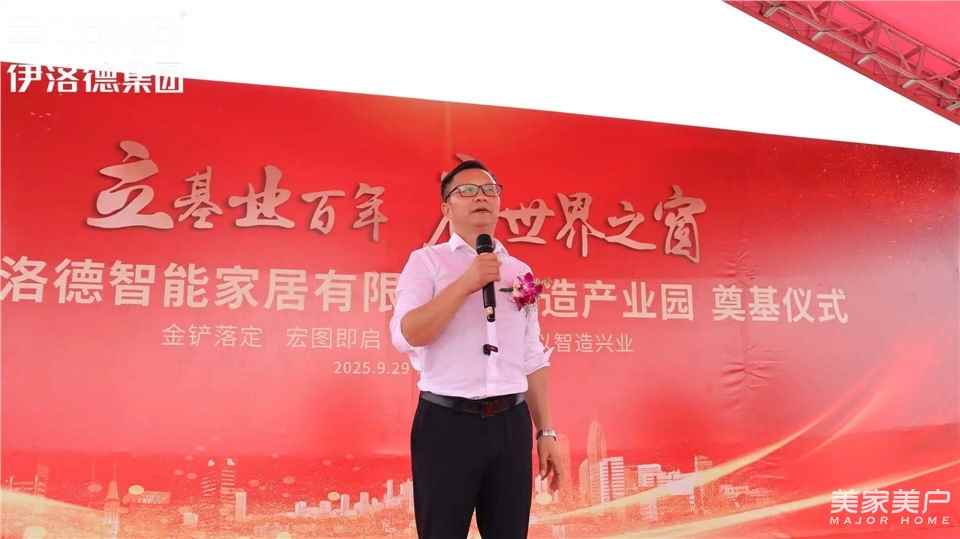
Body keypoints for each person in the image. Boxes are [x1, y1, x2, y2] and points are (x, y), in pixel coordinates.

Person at [389, 159, 561, 538]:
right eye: (466, 191)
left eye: (489, 190)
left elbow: (531, 355)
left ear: (499, 203)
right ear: (446, 208)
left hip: (511, 424)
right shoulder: (426, 262)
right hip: (446, 424)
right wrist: (466, 283)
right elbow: (408, 334)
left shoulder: (520, 271)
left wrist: (546, 431)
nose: (480, 197)